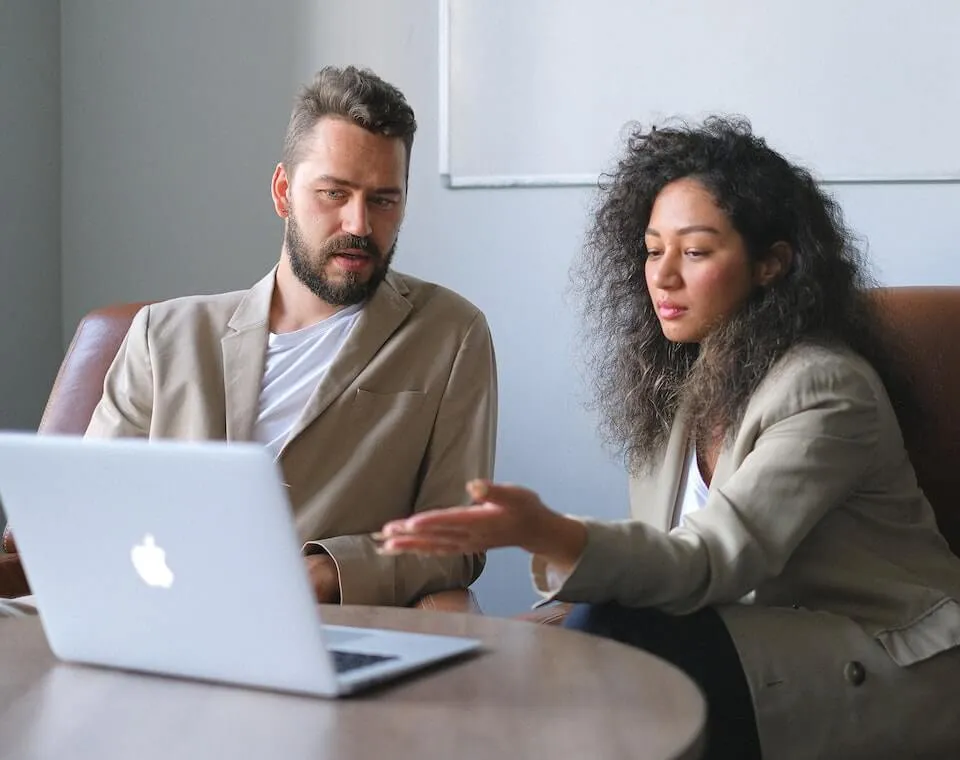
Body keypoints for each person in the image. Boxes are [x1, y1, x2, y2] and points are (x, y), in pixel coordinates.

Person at [379, 117, 960, 758]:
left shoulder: (824, 388)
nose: (663, 275)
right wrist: (531, 630)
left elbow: (710, 560)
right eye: (653, 249)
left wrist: (546, 532)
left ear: (772, 264)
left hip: (885, 659)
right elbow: (660, 564)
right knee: (546, 653)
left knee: (615, 636)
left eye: (696, 250)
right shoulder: (679, 389)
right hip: (751, 639)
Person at [2, 66, 497, 609]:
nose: (359, 223)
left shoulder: (449, 334)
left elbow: (459, 539)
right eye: (334, 193)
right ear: (284, 192)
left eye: (383, 200)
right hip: (139, 608)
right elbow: (88, 512)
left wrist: (325, 572)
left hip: (314, 629)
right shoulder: (163, 336)